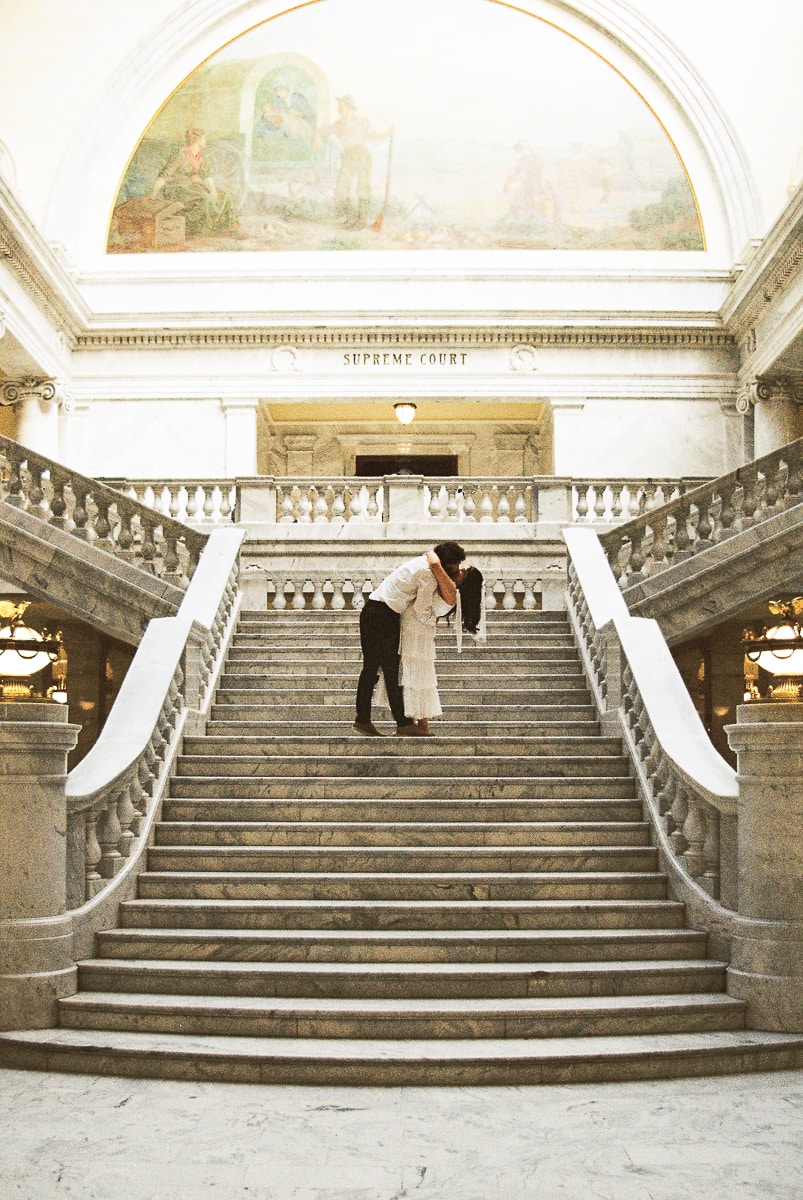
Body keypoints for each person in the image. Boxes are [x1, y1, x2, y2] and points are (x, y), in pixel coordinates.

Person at [354, 542, 466, 737]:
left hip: (372, 610)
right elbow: (421, 610)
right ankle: (402, 724)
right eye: (456, 565)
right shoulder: (428, 574)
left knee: (371, 669)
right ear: (447, 563)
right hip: (383, 615)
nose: (457, 570)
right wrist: (433, 619)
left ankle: (363, 719)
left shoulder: (422, 563)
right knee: (390, 669)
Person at [315, 95, 392, 229]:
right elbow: (321, 131)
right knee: (340, 190)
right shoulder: (338, 124)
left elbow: (375, 139)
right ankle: (351, 217)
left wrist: (388, 133)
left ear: (349, 107)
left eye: (341, 105)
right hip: (348, 156)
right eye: (339, 105)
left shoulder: (363, 122)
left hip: (362, 155)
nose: (339, 107)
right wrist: (316, 136)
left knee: (363, 189)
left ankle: (361, 221)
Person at [150, 128, 237, 237]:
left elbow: (205, 176)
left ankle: (233, 226)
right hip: (177, 190)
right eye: (204, 139)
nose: (205, 141)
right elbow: (164, 176)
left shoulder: (199, 157)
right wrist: (153, 194)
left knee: (224, 194)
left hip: (192, 188)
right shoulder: (180, 155)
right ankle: (206, 230)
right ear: (197, 140)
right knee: (204, 198)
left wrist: (213, 190)